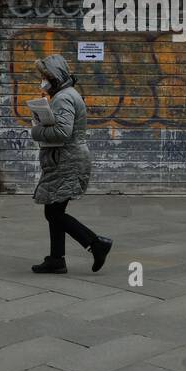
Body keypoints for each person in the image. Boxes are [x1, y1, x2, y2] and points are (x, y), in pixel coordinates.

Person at [28, 54, 112, 274]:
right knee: (53, 210)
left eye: (45, 76)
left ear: (55, 76)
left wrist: (36, 129)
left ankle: (96, 244)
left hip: (67, 160)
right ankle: (56, 260)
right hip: (65, 159)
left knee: (54, 213)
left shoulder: (64, 97)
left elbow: (62, 132)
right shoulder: (64, 95)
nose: (43, 80)